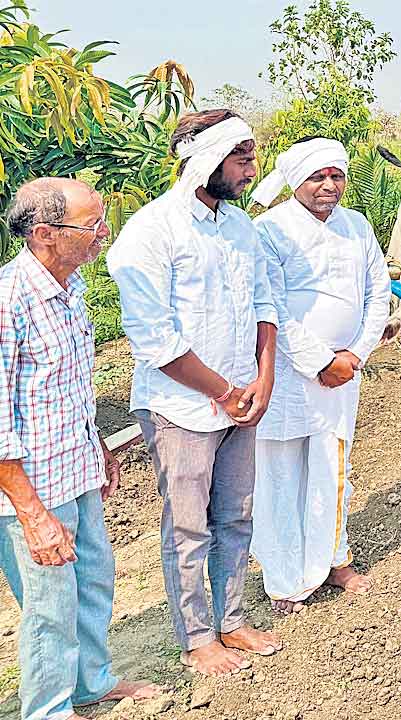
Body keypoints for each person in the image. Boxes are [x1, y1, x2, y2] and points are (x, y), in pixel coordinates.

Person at [106, 110, 283, 676]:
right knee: (188, 526)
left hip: (242, 398)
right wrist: (225, 390)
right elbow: (156, 339)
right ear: (203, 161)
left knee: (236, 516)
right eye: (242, 158)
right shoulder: (151, 232)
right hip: (180, 407)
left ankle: (231, 620)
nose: (251, 170)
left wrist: (264, 378)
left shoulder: (240, 227)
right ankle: (196, 637)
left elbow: (264, 304)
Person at [1, 178, 164, 719]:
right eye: (92, 224)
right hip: (32, 489)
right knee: (49, 608)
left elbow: (66, 384)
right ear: (45, 234)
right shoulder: (8, 301)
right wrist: (31, 514)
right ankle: (47, 710)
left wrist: (97, 443)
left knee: (93, 581)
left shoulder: (72, 290)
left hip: (76, 469)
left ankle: (90, 684)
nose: (104, 233)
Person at [249, 137, 391, 614]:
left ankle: (334, 558)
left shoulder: (357, 226)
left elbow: (378, 290)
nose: (330, 185)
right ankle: (285, 578)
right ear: (296, 181)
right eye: (318, 176)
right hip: (288, 377)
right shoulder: (269, 230)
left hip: (344, 374)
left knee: (333, 469)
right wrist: (318, 361)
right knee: (284, 473)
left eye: (337, 175)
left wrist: (355, 354)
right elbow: (269, 307)